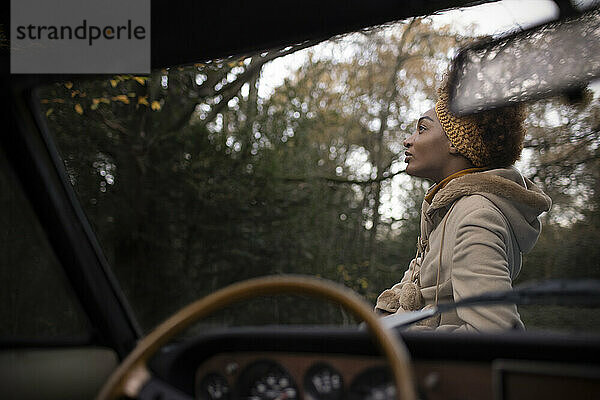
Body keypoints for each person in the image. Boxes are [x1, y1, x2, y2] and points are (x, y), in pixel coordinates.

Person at [375, 81, 552, 332]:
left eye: (422, 129)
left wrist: (405, 336)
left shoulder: (476, 216)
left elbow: (494, 334)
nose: (408, 140)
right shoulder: (443, 210)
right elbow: (419, 281)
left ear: (458, 143)